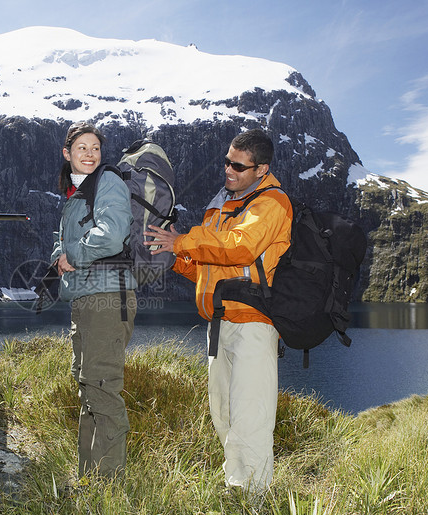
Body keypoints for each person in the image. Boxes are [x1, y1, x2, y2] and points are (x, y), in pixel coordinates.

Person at [143, 128, 292, 493]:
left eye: (239, 166)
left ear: (261, 169)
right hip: (220, 322)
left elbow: (239, 249)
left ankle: (255, 504)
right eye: (227, 161)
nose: (229, 170)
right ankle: (236, 489)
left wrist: (185, 240)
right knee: (223, 417)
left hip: (254, 323)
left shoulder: (272, 203)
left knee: (250, 420)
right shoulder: (222, 206)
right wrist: (177, 255)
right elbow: (210, 267)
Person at [50, 121, 137, 480]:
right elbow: (68, 241)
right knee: (87, 384)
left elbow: (112, 235)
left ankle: (109, 486)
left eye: (95, 148)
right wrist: (60, 254)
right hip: (86, 297)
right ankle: (89, 476)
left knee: (101, 387)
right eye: (82, 148)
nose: (90, 154)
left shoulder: (108, 182)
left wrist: (70, 253)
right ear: (67, 154)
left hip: (107, 296)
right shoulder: (75, 194)